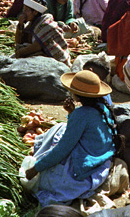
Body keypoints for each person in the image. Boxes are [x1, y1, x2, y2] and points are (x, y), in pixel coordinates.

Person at [24, 70, 121, 206]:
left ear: (78, 94)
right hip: (101, 157)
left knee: (44, 181)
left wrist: (36, 169)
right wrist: (71, 113)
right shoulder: (103, 106)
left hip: (86, 167)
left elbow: (62, 149)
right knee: (60, 127)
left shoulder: (82, 114)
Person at [14, 0, 71, 66]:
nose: (24, 13)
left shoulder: (45, 25)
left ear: (35, 12)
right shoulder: (32, 24)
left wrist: (20, 53)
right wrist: (20, 25)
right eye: (24, 10)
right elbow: (19, 42)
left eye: (27, 10)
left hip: (55, 58)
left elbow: (37, 46)